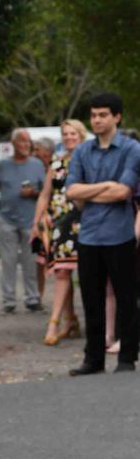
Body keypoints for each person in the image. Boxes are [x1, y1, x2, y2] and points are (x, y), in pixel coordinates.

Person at [66, 92, 140, 375]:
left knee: (126, 298)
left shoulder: (132, 149)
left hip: (120, 235)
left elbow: (125, 190)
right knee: (91, 299)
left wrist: (91, 190)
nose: (96, 120)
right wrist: (106, 186)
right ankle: (93, 359)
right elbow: (72, 190)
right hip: (89, 236)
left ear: (117, 117)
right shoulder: (83, 151)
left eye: (102, 115)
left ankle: (127, 359)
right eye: (93, 115)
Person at [31, 119, 88, 345]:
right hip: (58, 222)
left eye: (73, 133)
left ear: (81, 135)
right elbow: (45, 193)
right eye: (65, 134)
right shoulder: (57, 161)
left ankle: (73, 320)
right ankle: (60, 320)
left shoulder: (88, 158)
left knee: (87, 274)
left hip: (83, 220)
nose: (68, 137)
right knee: (62, 272)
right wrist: (36, 221)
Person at [0, 129, 46, 312]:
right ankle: (9, 301)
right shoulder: (2, 165)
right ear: (13, 144)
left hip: (32, 223)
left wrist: (33, 193)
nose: (26, 145)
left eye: (28, 141)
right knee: (8, 261)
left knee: (32, 260)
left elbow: (46, 193)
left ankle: (33, 298)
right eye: (22, 141)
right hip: (7, 222)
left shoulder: (37, 165)